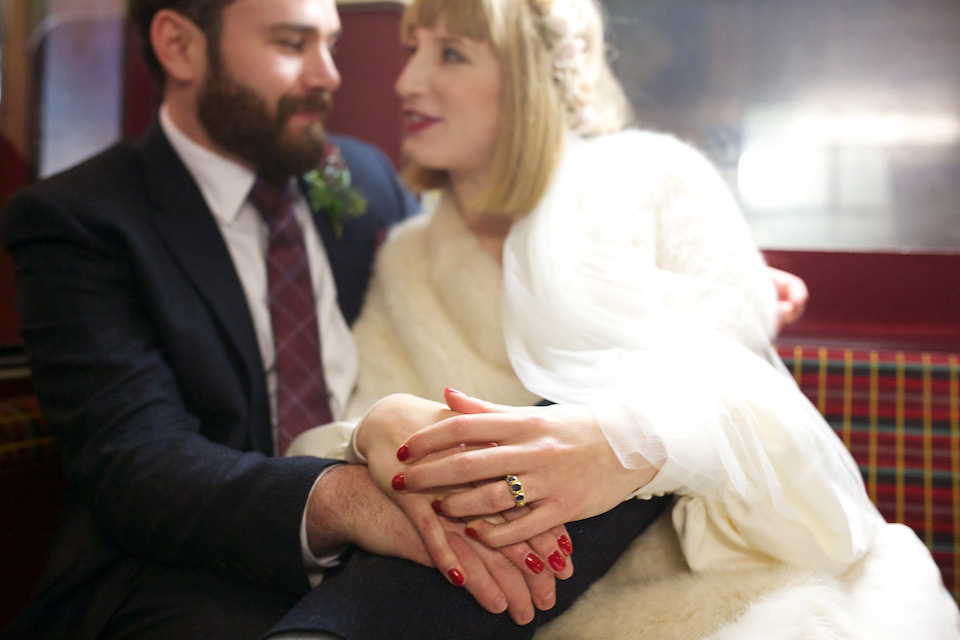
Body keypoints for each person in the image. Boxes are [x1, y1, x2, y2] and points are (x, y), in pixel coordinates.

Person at [0, 1, 683, 638]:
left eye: (329, 43)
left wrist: (680, 279)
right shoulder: (79, 219)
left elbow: (459, 304)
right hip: (175, 572)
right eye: (292, 44)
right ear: (180, 47)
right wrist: (356, 503)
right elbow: (139, 468)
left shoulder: (363, 179)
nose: (329, 74)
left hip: (389, 557)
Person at [309, 0, 960, 637]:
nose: (407, 81)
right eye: (412, 50)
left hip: (729, 576)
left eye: (450, 53)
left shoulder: (659, 183)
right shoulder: (408, 261)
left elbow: (754, 411)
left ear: (534, 73)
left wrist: (624, 442)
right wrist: (373, 429)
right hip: (523, 606)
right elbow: (335, 440)